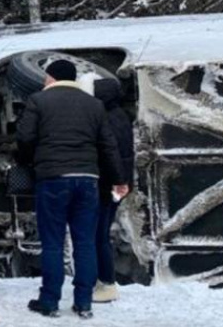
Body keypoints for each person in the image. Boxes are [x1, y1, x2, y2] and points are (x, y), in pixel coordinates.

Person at [16, 59, 127, 319]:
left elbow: (25, 137)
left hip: (53, 178)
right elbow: (108, 146)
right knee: (85, 242)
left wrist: (27, 161)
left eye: (46, 77)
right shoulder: (94, 105)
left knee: (53, 242)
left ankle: (50, 300)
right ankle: (84, 302)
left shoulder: (38, 101)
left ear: (52, 77)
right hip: (88, 180)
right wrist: (118, 179)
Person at [92, 78, 134, 303]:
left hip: (107, 184)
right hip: (118, 184)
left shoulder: (104, 120)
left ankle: (106, 281)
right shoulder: (121, 116)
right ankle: (101, 279)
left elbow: (109, 155)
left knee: (98, 236)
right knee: (102, 232)